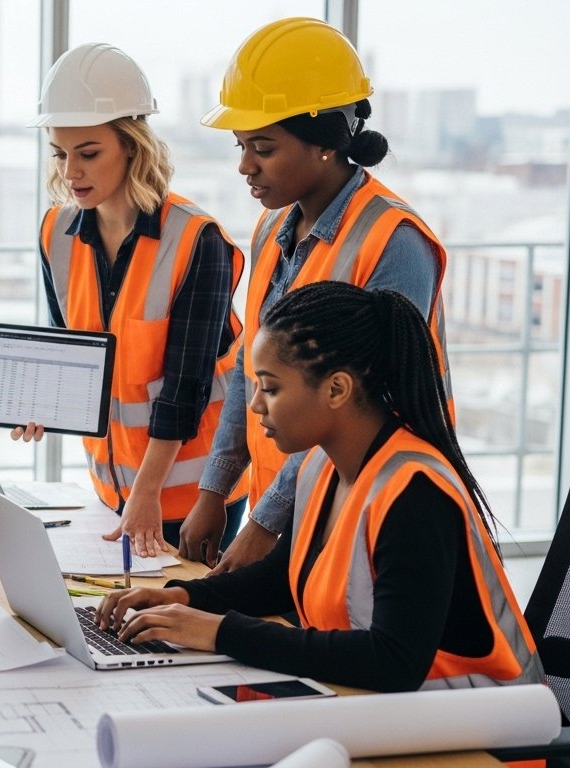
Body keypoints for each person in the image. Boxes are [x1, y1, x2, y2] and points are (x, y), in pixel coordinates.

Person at [98, 282, 542, 693]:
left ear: (336, 389)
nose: (255, 405)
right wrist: (183, 596)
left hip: (486, 725)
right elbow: (281, 578)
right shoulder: (320, 466)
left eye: (270, 388)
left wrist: (219, 632)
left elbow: (394, 661)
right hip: (385, 709)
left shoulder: (415, 493)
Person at [179, 17, 453, 571]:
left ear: (326, 144)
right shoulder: (270, 229)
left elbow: (368, 406)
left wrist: (263, 525)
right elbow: (250, 369)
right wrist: (214, 490)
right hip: (288, 511)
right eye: (241, 145)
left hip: (365, 515)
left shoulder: (394, 242)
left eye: (263, 147)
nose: (244, 166)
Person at [15, 43, 243, 558]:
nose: (70, 172)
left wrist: (146, 493)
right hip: (112, 490)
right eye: (60, 154)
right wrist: (41, 401)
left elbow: (185, 388)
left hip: (192, 497)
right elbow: (68, 350)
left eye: (88, 153)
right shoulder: (56, 233)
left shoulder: (196, 239)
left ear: (133, 147)